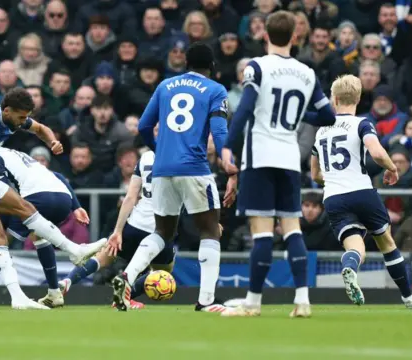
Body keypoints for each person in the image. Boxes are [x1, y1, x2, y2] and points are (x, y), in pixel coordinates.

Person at [0, 88, 104, 310]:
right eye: (20, 116)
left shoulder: (14, 121)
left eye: (26, 116)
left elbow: (40, 128)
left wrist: (52, 142)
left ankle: (16, 297)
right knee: (24, 207)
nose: (23, 121)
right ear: (6, 110)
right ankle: (74, 250)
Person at [220, 11, 336, 318]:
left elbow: (245, 109)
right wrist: (301, 117)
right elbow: (327, 117)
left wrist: (228, 146)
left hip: (260, 156)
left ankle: (253, 303)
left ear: (265, 35)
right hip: (289, 158)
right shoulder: (307, 72)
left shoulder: (257, 67)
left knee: (261, 233)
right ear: (295, 37)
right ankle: (303, 301)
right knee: (292, 230)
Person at [111, 41, 237, 313]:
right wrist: (231, 168)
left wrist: (159, 150)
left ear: (186, 64)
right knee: (211, 230)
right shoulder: (215, 90)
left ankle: (127, 278)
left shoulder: (165, 86)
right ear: (212, 67)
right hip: (194, 167)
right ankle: (206, 300)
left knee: (162, 231)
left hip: (162, 169)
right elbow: (220, 131)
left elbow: (144, 125)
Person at [310, 74, 412, 309]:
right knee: (386, 242)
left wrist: (332, 180)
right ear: (358, 98)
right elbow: (377, 152)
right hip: (361, 191)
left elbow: (315, 174)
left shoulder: (321, 132)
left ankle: (350, 266)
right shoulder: (362, 123)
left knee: (354, 245)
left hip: (333, 197)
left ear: (335, 99)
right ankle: (408, 297)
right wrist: (391, 168)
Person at [0, 147, 104, 310]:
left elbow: (3, 192)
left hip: (36, 198)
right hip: (63, 200)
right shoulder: (16, 154)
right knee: (39, 236)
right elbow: (59, 176)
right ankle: (54, 293)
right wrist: (76, 207)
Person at [64, 150, 170, 310]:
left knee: (102, 258)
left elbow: (130, 197)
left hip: (135, 223)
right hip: (160, 227)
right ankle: (125, 295)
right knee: (162, 272)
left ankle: (66, 281)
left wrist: (118, 231)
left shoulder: (146, 157)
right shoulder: (176, 156)